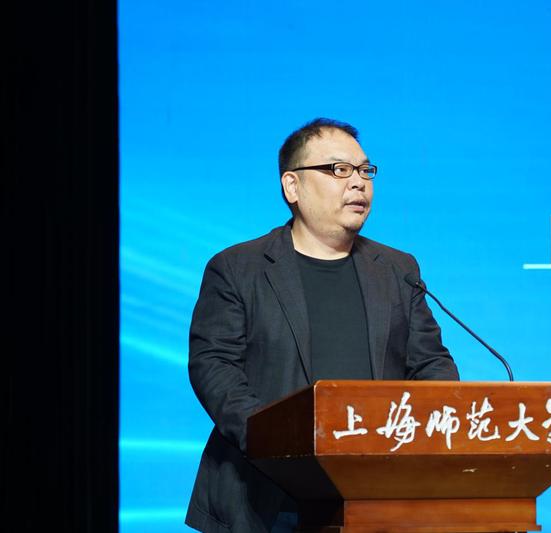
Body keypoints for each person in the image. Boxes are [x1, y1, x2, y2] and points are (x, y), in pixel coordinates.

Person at [185, 118, 459, 532]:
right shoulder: (239, 268)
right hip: (266, 498)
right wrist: (276, 439)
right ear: (292, 186)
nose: (358, 182)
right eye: (338, 169)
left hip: (375, 497)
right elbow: (215, 368)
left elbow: (431, 364)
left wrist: (427, 429)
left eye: (365, 170)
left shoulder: (397, 269)